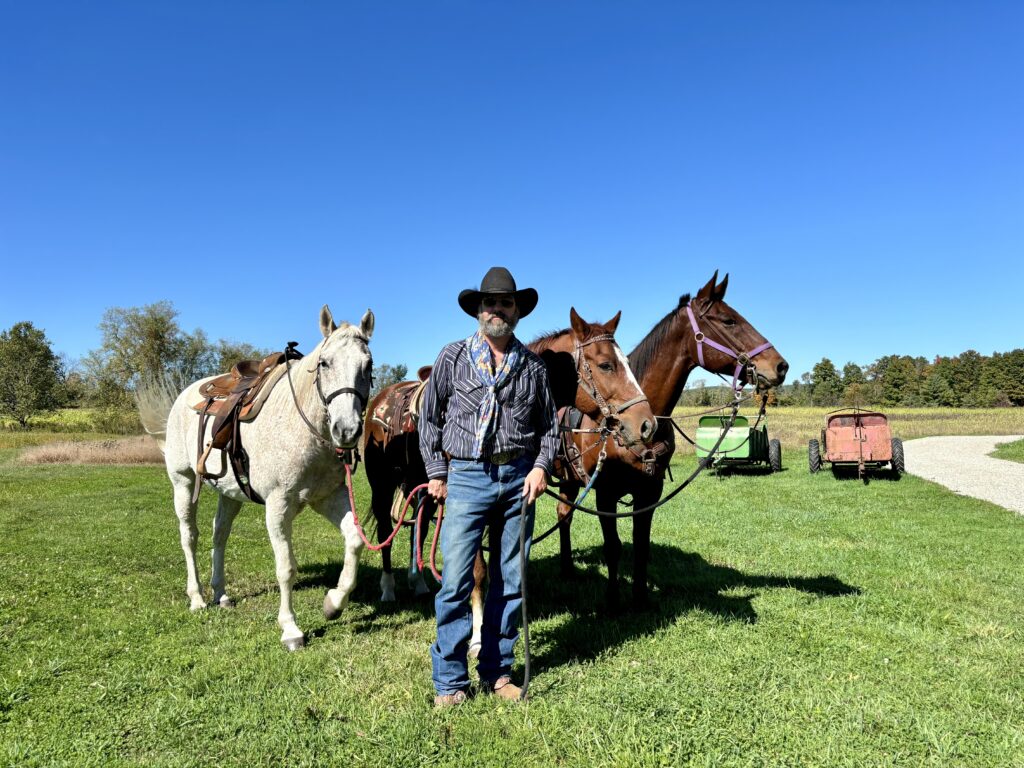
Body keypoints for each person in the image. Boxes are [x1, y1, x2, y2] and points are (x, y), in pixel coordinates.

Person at [419, 266, 559, 708]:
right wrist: (436, 472)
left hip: (519, 479)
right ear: (478, 311)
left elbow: (549, 428)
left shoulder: (533, 368)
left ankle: (498, 673)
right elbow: (429, 418)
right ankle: (450, 681)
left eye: (505, 302)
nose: (496, 309)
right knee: (457, 580)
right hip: (466, 477)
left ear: (517, 311)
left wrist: (540, 468)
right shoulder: (452, 357)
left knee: (511, 581)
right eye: (489, 302)